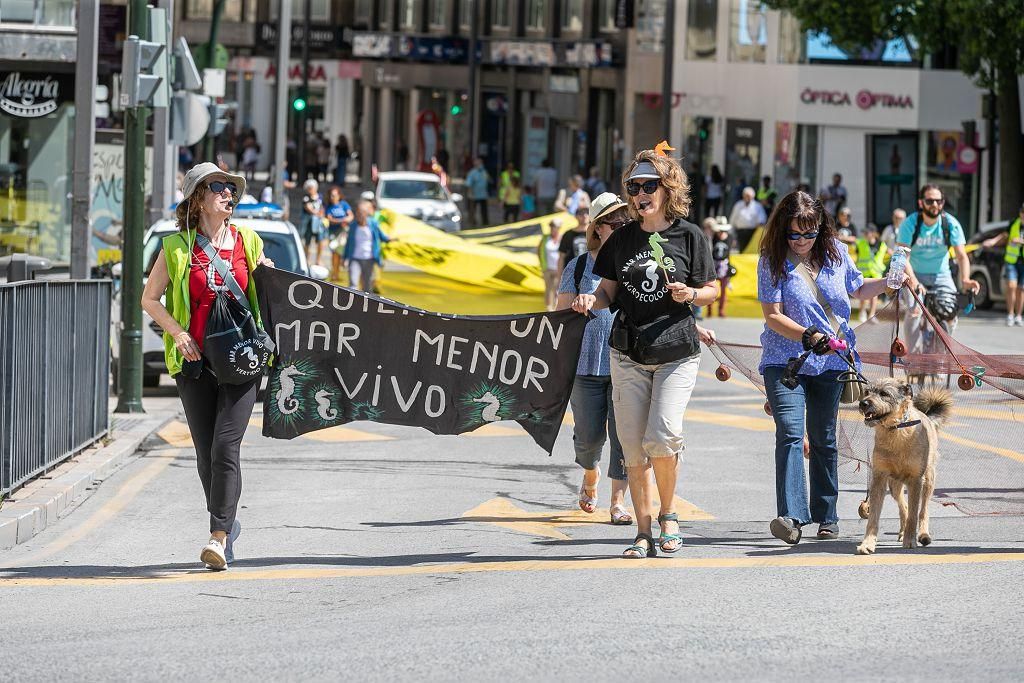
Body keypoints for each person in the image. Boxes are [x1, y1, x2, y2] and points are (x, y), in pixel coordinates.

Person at [571, 149, 718, 559]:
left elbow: (713, 289)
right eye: (634, 188)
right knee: (633, 446)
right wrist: (590, 299)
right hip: (628, 351)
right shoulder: (622, 239)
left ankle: (669, 515)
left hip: (676, 349)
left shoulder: (690, 236)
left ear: (666, 189)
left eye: (648, 186)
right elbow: (608, 292)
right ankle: (642, 530)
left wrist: (692, 293)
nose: (640, 194)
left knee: (663, 434)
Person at [140, 162, 275, 570]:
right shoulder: (175, 247)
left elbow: (269, 291)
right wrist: (177, 332)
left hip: (242, 359)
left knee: (224, 446)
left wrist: (268, 276)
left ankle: (217, 536)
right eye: (218, 187)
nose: (228, 194)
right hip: (195, 363)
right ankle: (228, 521)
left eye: (231, 188)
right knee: (204, 455)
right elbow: (149, 299)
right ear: (198, 198)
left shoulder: (247, 242)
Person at [757, 190, 898, 545]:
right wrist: (807, 334)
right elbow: (772, 316)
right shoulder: (771, 260)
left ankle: (826, 514)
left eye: (810, 232)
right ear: (782, 230)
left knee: (824, 437)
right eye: (794, 233)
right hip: (785, 360)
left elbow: (859, 288)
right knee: (790, 432)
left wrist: (889, 283)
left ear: (821, 228)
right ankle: (790, 516)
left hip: (833, 360)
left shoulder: (837, 252)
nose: (802, 240)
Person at [556, 193, 632, 526]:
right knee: (588, 439)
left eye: (626, 221)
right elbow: (559, 318)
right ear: (598, 228)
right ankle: (590, 472)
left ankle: (617, 502)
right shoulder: (578, 266)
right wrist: (575, 307)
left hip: (627, 363)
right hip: (585, 365)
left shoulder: (634, 264)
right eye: (615, 223)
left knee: (624, 436)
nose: (622, 227)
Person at [898, 184, 980, 327]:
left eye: (939, 201)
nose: (934, 204)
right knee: (914, 313)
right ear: (921, 202)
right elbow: (902, 257)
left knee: (950, 315)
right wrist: (914, 282)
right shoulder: (910, 223)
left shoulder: (950, 223)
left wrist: (965, 280)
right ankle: (914, 349)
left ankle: (940, 348)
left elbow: (961, 256)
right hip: (915, 274)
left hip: (942, 276)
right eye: (929, 201)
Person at [983, 202, 1024, 325]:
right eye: (1022, 212)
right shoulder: (1014, 223)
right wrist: (992, 241)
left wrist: (1021, 241)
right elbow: (1004, 236)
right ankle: (1010, 314)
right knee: (1011, 286)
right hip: (1011, 260)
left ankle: (1018, 316)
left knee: (1021, 289)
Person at [343, 198, 392, 292]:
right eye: (357, 213)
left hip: (369, 258)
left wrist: (390, 239)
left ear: (365, 214)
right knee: (353, 283)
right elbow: (348, 243)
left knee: (367, 285)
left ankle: (366, 304)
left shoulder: (373, 224)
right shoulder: (353, 226)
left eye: (360, 213)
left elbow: (381, 236)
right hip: (355, 258)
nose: (358, 215)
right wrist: (345, 258)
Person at [854, 224, 888, 321]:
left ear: (873, 233)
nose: (864, 234)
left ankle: (872, 315)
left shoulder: (882, 245)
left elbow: (887, 254)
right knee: (862, 294)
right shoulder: (861, 243)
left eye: (867, 232)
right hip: (864, 273)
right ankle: (862, 311)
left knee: (874, 296)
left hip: (876, 274)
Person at [325, 186, 354, 281]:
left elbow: (350, 216)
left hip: (343, 233)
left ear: (339, 195)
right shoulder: (329, 206)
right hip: (333, 232)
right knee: (334, 252)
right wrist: (342, 220)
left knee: (340, 253)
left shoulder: (344, 204)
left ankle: (338, 272)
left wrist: (342, 220)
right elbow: (330, 219)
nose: (333, 197)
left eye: (334, 195)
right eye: (331, 196)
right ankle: (334, 273)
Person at [707, 216, 733, 318]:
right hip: (713, 264)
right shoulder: (713, 237)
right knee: (711, 288)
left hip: (724, 265)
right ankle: (709, 311)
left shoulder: (730, 237)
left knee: (723, 290)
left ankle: (721, 310)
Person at [728, 186, 767, 252]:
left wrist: (760, 225)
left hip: (752, 233)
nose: (747, 197)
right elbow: (733, 219)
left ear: (753, 196)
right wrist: (731, 232)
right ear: (743, 196)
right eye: (746, 195)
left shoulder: (757, 206)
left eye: (749, 196)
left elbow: (761, 220)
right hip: (740, 232)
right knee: (741, 250)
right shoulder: (738, 205)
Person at [539, 217, 563, 311]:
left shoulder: (562, 238)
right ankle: (549, 308)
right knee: (548, 289)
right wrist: (542, 265)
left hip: (558, 268)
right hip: (548, 268)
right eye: (552, 226)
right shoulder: (545, 238)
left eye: (555, 226)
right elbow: (539, 251)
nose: (553, 228)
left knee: (557, 289)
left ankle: (556, 307)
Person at [557, 206, 590, 274]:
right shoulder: (568, 234)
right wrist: (560, 277)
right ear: (576, 216)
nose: (584, 216)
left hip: (591, 273)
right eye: (581, 213)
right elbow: (561, 257)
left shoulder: (596, 232)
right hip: (572, 273)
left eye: (587, 213)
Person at [300, 179, 325, 267]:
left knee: (320, 240)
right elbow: (308, 208)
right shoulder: (306, 198)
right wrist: (318, 213)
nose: (311, 189)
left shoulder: (320, 197)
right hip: (309, 223)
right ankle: (307, 259)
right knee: (307, 241)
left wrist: (322, 213)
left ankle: (318, 259)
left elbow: (322, 207)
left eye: (312, 187)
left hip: (318, 223)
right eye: (309, 188)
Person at [465, 157, 490, 227]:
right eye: (478, 162)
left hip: (483, 194)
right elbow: (469, 184)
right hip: (474, 195)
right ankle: (472, 222)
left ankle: (485, 222)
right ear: (475, 163)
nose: (480, 164)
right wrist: (470, 193)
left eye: (481, 162)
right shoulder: (472, 173)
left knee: (484, 209)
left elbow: (487, 180)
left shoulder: (484, 171)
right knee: (473, 210)